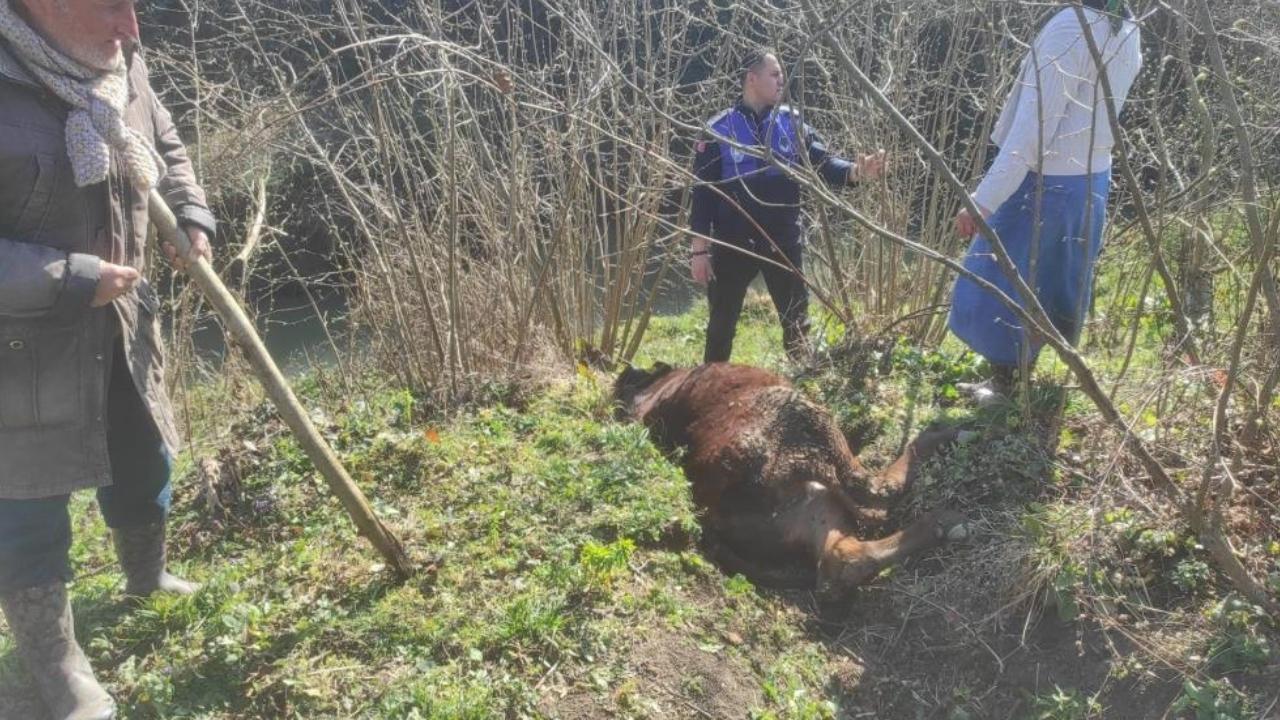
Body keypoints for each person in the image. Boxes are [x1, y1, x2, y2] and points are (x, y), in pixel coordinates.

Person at [0, 1, 216, 718]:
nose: (131, 29)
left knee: (143, 454)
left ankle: (145, 577)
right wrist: (68, 277)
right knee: (27, 508)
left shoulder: (119, 63)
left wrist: (191, 214)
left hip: (123, 323)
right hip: (18, 353)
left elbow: (165, 142)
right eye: (110, 10)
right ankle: (56, 666)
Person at [949, 0, 1142, 402]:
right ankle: (1016, 383)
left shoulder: (1070, 26)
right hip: (1090, 181)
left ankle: (1006, 389)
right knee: (1050, 284)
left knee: (999, 282)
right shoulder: (1127, 24)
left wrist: (983, 201)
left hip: (1044, 184)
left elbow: (1031, 133)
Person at [690, 50, 886, 364]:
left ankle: (803, 390)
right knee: (720, 327)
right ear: (751, 79)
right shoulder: (718, 130)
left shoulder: (790, 123)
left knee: (796, 324)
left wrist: (857, 172)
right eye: (775, 74)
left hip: (783, 242)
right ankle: (710, 389)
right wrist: (698, 251)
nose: (782, 80)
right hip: (733, 244)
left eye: (781, 74)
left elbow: (823, 163)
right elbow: (702, 195)